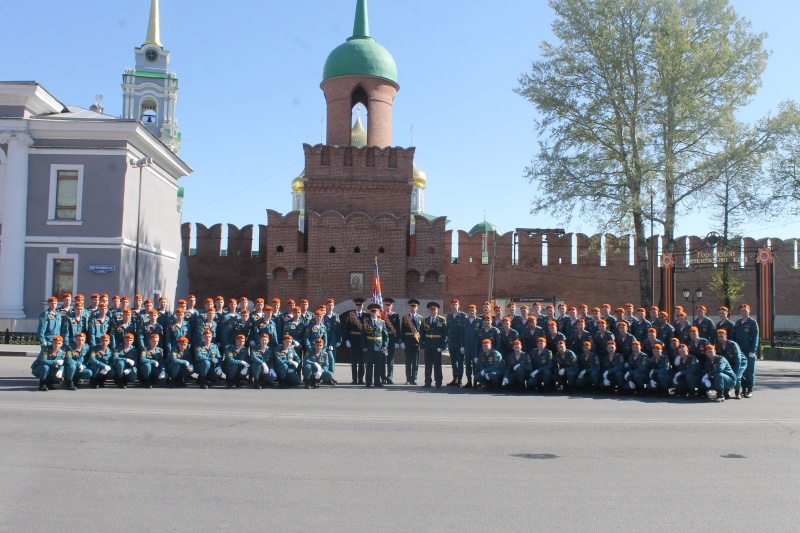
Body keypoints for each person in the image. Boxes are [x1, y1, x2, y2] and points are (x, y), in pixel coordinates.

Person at [733, 304, 759, 398]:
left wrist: (753, 350)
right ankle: (743, 389)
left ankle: (750, 389)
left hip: (749, 350)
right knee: (741, 371)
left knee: (749, 371)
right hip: (740, 351)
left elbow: (756, 337)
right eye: (742, 311)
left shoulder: (752, 323)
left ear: (749, 311)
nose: (744, 312)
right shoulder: (738, 322)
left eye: (745, 310)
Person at [420, 301, 447, 388]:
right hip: (428, 345)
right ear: (429, 310)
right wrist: (422, 345)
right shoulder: (425, 320)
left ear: (437, 310)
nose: (433, 312)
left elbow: (445, 334)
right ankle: (427, 382)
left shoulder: (442, 320)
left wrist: (443, 346)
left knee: (437, 365)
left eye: (434, 310)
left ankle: (438, 382)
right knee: (427, 365)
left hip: (437, 346)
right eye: (431, 310)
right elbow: (422, 333)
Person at [361, 303, 389, 387]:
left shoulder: (382, 322)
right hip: (369, 346)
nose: (373, 313)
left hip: (379, 347)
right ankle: (368, 382)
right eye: (372, 311)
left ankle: (377, 381)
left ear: (378, 312)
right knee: (369, 365)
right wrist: (364, 346)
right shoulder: (366, 323)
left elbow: (386, 336)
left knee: (378, 365)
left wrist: (385, 345)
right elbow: (363, 336)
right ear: (370, 312)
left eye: (375, 311)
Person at [715, 329, 746, 399]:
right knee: (726, 375)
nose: (720, 338)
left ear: (726, 336)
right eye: (718, 336)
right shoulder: (718, 345)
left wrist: (735, 371)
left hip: (740, 362)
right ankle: (726, 390)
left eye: (721, 336)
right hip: (728, 363)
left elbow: (738, 359)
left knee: (737, 376)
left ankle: (737, 393)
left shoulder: (732, 344)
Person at [400, 299, 423, 385]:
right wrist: (402, 341)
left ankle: (414, 378)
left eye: (415, 306)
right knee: (408, 361)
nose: (413, 308)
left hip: (416, 343)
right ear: (409, 307)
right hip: (407, 342)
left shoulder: (420, 318)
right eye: (412, 306)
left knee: (415, 362)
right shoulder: (405, 317)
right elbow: (402, 330)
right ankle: (408, 378)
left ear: (417, 308)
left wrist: (421, 342)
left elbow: (422, 332)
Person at [343, 298, 366, 384]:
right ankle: (354, 379)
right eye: (357, 305)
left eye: (360, 305)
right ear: (355, 305)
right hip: (353, 339)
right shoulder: (350, 315)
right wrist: (347, 339)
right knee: (354, 360)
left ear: (362, 305)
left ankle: (360, 379)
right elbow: (347, 328)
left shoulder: (366, 315)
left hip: (362, 340)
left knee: (362, 361)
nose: (358, 306)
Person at [445, 299, 467, 386]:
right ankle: (455, 378)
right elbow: (447, 329)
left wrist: (463, 344)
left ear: (459, 306)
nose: (454, 306)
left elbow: (464, 331)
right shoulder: (449, 316)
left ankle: (460, 379)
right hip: (451, 342)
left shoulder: (463, 316)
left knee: (460, 361)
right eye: (453, 304)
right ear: (451, 306)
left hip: (459, 342)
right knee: (453, 361)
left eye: (456, 304)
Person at [462, 304, 483, 389]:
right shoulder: (465, 321)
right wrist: (462, 346)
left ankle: (475, 381)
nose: (471, 312)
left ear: (476, 311)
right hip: (467, 347)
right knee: (467, 364)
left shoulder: (479, 321)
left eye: (473, 310)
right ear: (468, 311)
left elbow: (481, 335)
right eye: (470, 310)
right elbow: (462, 334)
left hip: (475, 347)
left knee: (475, 364)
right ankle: (469, 381)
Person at [382, 298, 401, 385]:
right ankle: (382, 377)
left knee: (390, 360)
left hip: (392, 340)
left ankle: (389, 377)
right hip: (383, 340)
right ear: (384, 305)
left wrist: (397, 341)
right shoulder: (381, 315)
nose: (388, 306)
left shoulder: (395, 316)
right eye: (386, 305)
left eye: (389, 305)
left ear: (392, 306)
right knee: (382, 359)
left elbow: (398, 330)